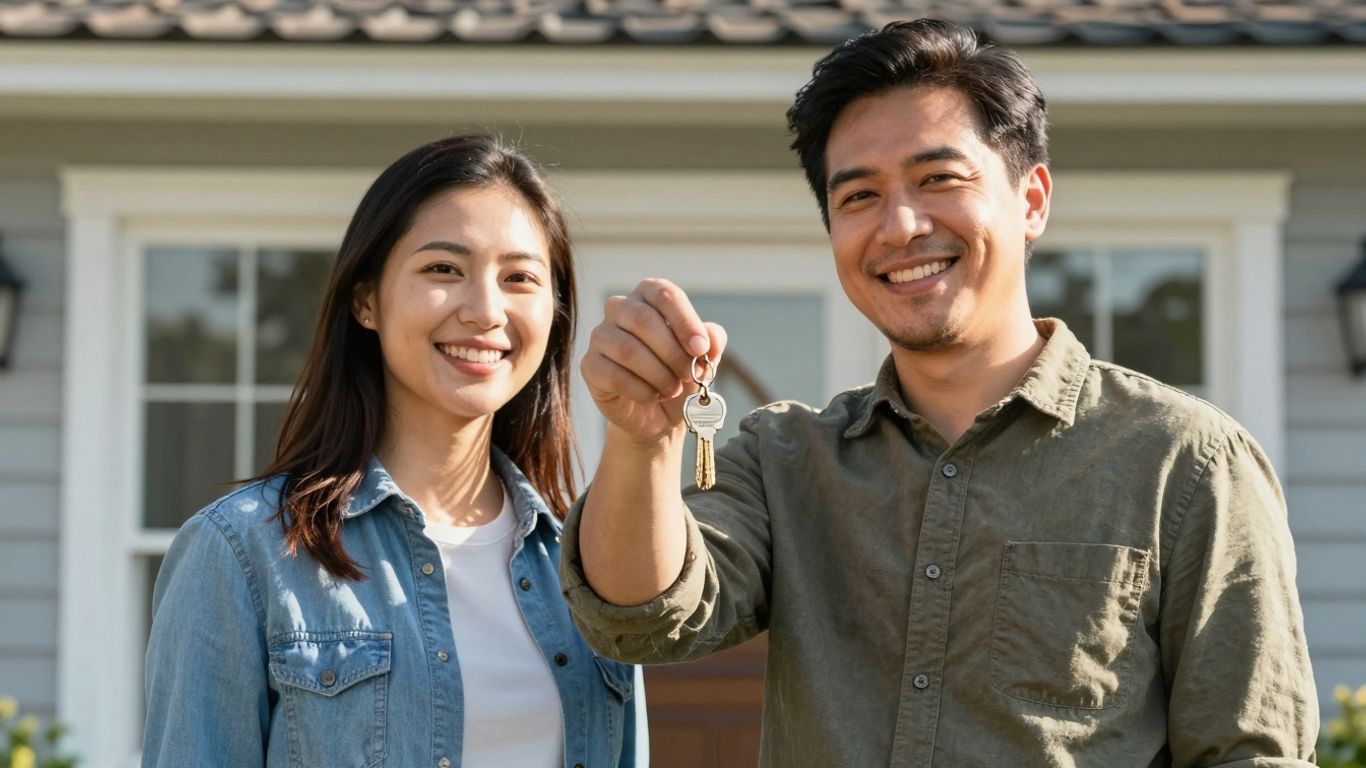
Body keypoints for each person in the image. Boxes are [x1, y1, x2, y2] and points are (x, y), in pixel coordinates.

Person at [561, 19, 1318, 767]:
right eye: (859, 197)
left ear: (1032, 201)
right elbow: (641, 620)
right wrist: (641, 441)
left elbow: (1251, 753)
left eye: (939, 179)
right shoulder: (782, 459)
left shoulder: (1188, 462)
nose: (900, 226)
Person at [144, 135, 647, 768]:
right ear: (365, 301)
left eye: (519, 278)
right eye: (444, 269)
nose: (486, 310)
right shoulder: (242, 553)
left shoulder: (589, 561)